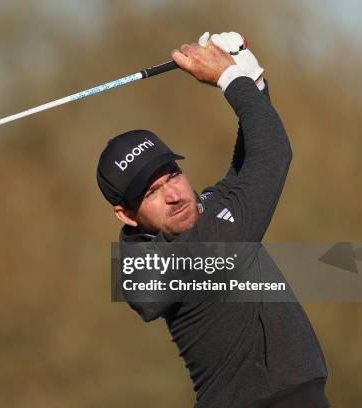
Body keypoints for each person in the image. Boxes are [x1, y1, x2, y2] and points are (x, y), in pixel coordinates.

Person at [96, 32, 329, 407]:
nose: (174, 194)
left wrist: (252, 81)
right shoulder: (184, 254)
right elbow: (272, 155)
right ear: (126, 214)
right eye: (151, 192)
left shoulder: (202, 217)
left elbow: (247, 161)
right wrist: (229, 79)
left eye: (172, 175)